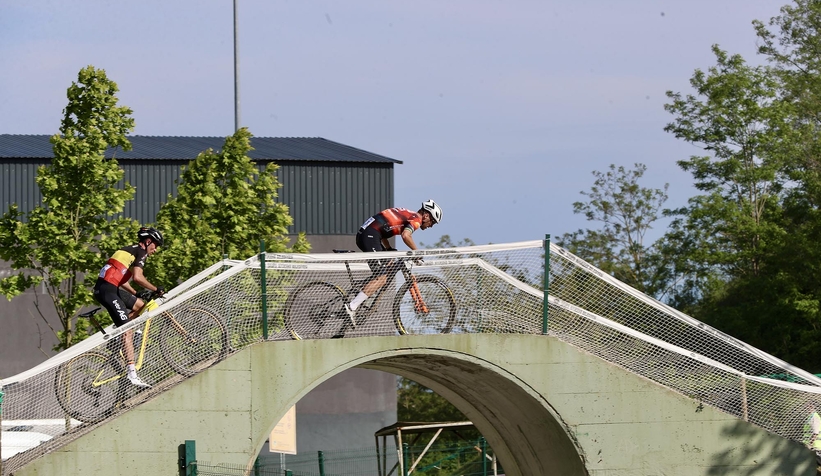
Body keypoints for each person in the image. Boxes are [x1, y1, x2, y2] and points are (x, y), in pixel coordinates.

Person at [344, 200, 443, 324]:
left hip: (369, 233)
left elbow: (384, 229)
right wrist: (417, 253)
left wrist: (389, 248)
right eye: (432, 222)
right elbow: (406, 236)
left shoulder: (408, 214)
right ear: (426, 215)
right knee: (382, 278)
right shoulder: (416, 220)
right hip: (370, 235)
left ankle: (362, 293)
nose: (431, 225)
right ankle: (352, 306)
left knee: (388, 264)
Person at [93, 226, 165, 388]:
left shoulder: (128, 250)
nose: (155, 250)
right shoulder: (141, 252)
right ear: (148, 242)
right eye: (155, 245)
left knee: (140, 304)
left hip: (108, 288)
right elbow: (138, 277)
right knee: (128, 331)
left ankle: (122, 334)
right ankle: (132, 374)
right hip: (108, 291)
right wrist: (156, 289)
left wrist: (135, 293)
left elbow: (121, 277)